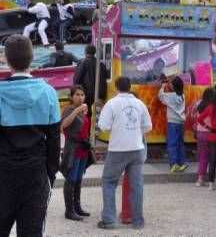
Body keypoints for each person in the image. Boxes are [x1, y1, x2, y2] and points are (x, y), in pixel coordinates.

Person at [0, 35, 61, 236]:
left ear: (6, 59)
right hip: (36, 174)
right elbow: (54, 139)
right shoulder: (49, 92)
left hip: (4, 174)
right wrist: (50, 173)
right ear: (32, 58)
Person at [97, 76, 152, 230]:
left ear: (116, 87)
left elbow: (103, 126)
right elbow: (148, 127)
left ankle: (109, 220)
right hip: (137, 148)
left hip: (118, 149)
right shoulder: (140, 103)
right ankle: (138, 221)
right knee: (137, 185)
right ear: (130, 86)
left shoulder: (112, 103)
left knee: (109, 182)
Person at [60, 85, 92, 221]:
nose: (80, 97)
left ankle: (77, 207)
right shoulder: (69, 109)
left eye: (82, 95)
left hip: (83, 149)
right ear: (72, 97)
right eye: (77, 95)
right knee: (71, 179)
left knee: (78, 179)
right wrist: (77, 110)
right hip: (73, 149)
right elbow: (63, 125)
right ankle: (69, 210)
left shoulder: (85, 111)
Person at [198, 87, 216, 191]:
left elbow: (200, 119)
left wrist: (208, 127)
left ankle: (211, 185)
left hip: (212, 136)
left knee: (212, 161)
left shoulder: (210, 107)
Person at [159, 77, 187, 172]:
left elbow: (161, 96)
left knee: (172, 144)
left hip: (172, 123)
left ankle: (173, 164)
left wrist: (162, 87)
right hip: (180, 123)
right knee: (180, 144)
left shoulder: (171, 96)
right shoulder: (182, 96)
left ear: (174, 86)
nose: (169, 84)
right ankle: (182, 162)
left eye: (171, 83)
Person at [73, 45, 108, 116]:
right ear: (94, 52)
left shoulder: (82, 63)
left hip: (87, 95)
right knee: (97, 115)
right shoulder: (101, 65)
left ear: (85, 52)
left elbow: (76, 80)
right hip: (99, 94)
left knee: (87, 115)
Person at [193, 87, 215, 187]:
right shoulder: (213, 106)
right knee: (215, 157)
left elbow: (196, 117)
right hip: (211, 133)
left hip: (200, 133)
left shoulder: (199, 104)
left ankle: (200, 179)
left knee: (203, 157)